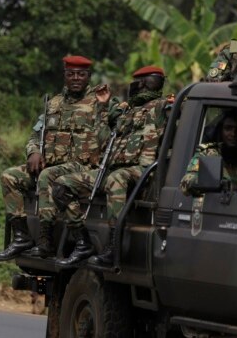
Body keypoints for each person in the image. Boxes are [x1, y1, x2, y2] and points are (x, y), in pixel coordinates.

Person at [0, 55, 121, 262]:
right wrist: (33, 152)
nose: (76, 78)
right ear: (65, 76)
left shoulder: (101, 101)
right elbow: (36, 134)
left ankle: (45, 241)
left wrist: (104, 108)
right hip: (52, 162)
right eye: (71, 74)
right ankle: (21, 237)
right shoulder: (53, 104)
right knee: (10, 176)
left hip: (82, 167)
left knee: (47, 175)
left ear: (88, 76)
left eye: (81, 74)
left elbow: (113, 136)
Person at [51, 66, 169, 267]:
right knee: (62, 185)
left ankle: (114, 246)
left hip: (141, 171)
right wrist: (104, 107)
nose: (140, 85)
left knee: (117, 179)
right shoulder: (125, 111)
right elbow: (103, 138)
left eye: (145, 81)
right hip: (112, 169)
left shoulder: (162, 106)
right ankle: (82, 241)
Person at [180, 110, 237, 196]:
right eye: (228, 128)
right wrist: (222, 185)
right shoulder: (209, 154)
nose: (233, 134)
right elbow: (186, 184)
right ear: (221, 130)